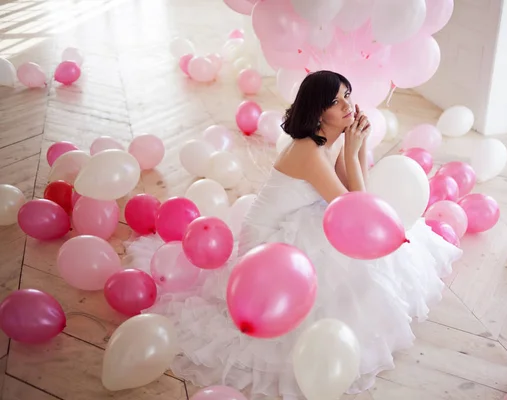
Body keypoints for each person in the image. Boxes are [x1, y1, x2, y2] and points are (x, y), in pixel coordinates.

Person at [126, 70, 462, 399]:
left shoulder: (324, 142)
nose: (347, 105)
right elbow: (356, 211)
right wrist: (352, 147)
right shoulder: (308, 151)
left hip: (294, 219)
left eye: (347, 95)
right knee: (340, 249)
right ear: (318, 112)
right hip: (267, 242)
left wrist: (355, 147)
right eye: (336, 101)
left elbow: (357, 196)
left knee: (354, 242)